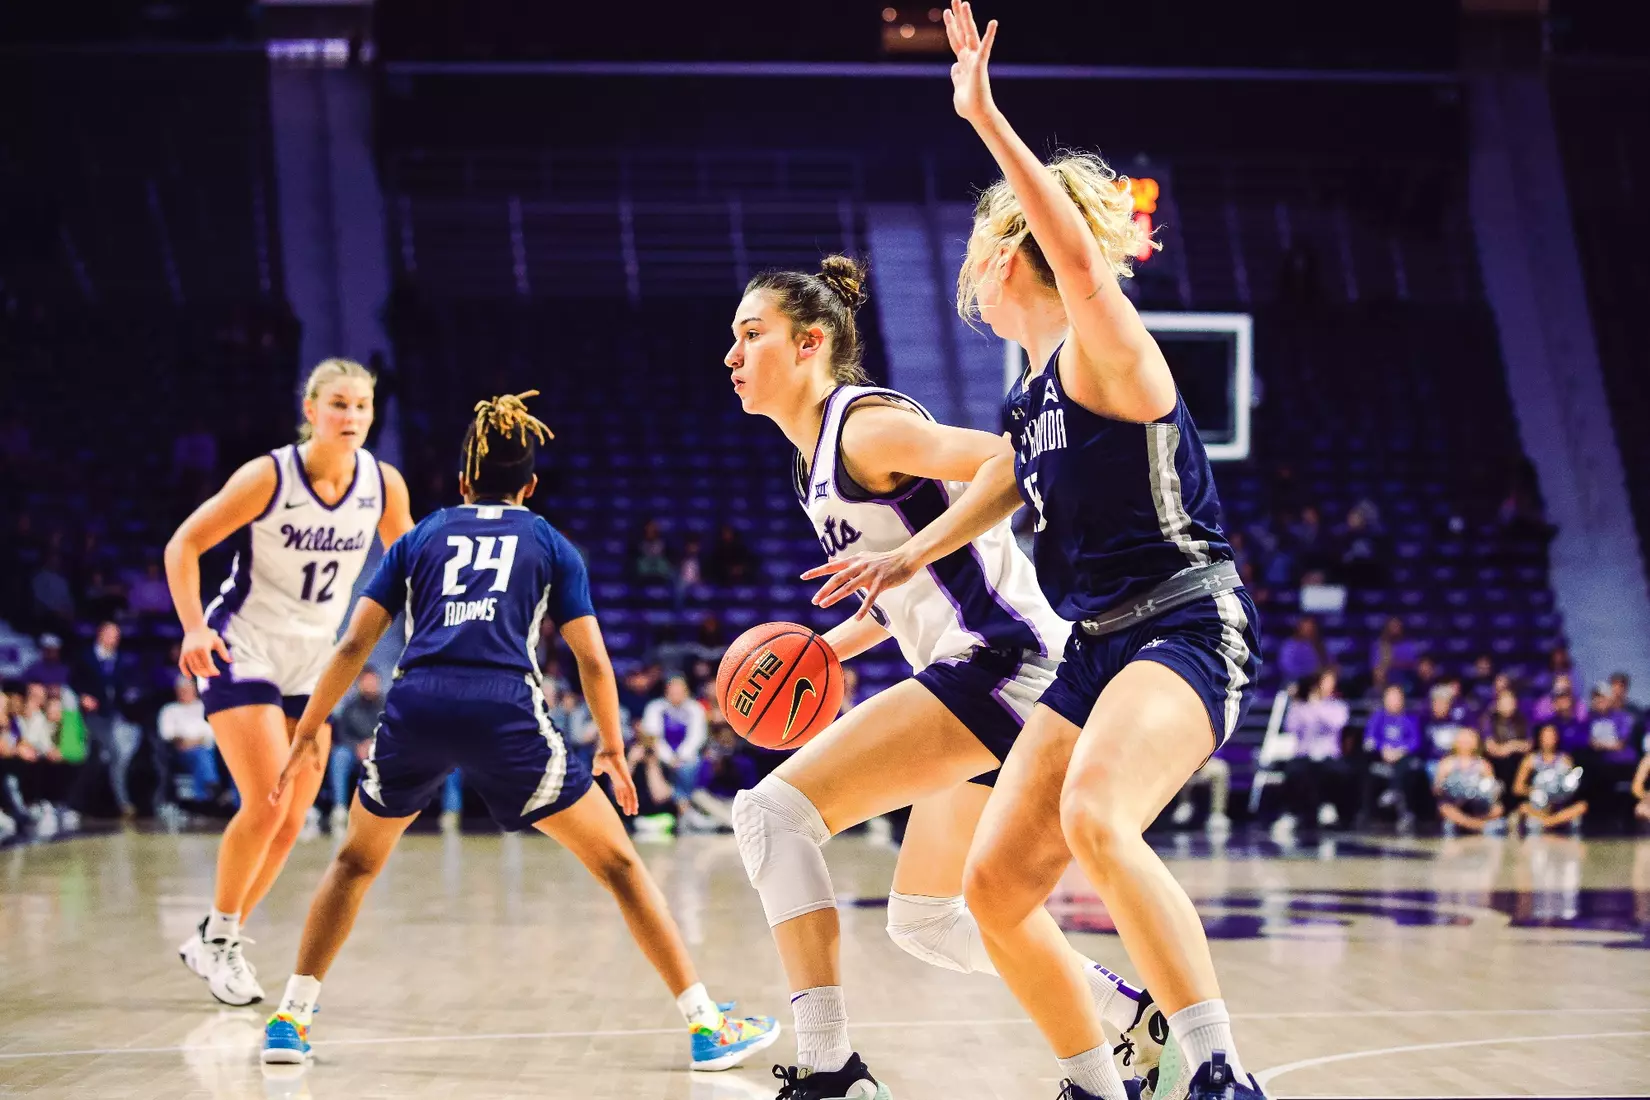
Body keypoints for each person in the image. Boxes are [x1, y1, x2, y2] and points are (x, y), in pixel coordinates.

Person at [806, 10, 1264, 1097]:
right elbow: (1004, 479)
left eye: (982, 249)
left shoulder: (1108, 344)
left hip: (1185, 622)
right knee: (994, 888)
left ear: (1014, 253)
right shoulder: (1032, 394)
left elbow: (1074, 250)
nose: (970, 271)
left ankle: (1217, 1068)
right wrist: (900, 557)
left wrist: (985, 118)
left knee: (1095, 816)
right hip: (1095, 647)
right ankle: (1097, 1083)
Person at [728, 248, 1167, 1100]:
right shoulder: (811, 458)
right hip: (996, 674)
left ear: (811, 342)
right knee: (930, 922)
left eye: (753, 335)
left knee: (772, 817)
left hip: (1005, 666)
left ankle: (830, 1072)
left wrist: (917, 552)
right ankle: (1124, 1026)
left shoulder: (864, 427)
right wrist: (821, 652)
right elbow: (905, 597)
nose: (733, 355)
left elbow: (1011, 462)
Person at [258, 391, 778, 1072]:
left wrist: (306, 730)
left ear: (463, 482)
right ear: (530, 486)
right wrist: (614, 751)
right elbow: (592, 657)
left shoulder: (420, 535)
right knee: (619, 865)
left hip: (418, 702)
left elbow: (355, 644)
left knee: (354, 863)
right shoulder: (549, 542)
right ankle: (707, 1025)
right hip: (505, 709)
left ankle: (290, 1018)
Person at [165, 358, 415, 1006]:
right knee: (268, 801)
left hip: (313, 661)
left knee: (290, 819)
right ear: (311, 411)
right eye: (338, 405)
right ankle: (219, 938)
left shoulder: (382, 485)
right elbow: (183, 546)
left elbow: (411, 567)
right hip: (243, 645)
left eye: (362, 407)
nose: (352, 417)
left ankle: (218, 935)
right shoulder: (267, 476)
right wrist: (193, 628)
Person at [69, 621, 144, 819]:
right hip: (89, 716)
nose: (114, 639)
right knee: (115, 752)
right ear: (100, 635)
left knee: (95, 761)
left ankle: (79, 804)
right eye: (110, 634)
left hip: (113, 715)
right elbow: (72, 682)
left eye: (117, 635)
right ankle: (123, 802)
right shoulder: (84, 658)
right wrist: (82, 696)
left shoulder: (120, 660)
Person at [1275, 669, 1353, 834]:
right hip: (1304, 753)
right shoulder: (1301, 706)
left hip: (1329, 754)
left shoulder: (1338, 706)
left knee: (1333, 771)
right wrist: (1298, 703)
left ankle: (1327, 808)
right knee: (1295, 771)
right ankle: (1292, 813)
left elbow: (1336, 724)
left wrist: (1317, 706)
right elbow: (1291, 727)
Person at [640, 674, 709, 822]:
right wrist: (669, 758)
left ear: (687, 691)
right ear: (666, 691)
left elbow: (697, 737)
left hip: (686, 755)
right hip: (662, 754)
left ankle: (685, 807)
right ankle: (684, 809)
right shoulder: (655, 708)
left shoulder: (695, 708)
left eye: (679, 691)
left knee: (690, 766)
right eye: (672, 691)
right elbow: (653, 737)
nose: (676, 695)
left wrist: (681, 756)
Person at [326, 669, 385, 833]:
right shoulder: (349, 707)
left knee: (393, 757)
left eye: (372, 682)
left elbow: (393, 732)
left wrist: (373, 744)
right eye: (366, 681)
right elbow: (341, 734)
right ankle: (339, 808)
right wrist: (356, 747)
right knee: (340, 755)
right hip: (354, 751)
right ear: (359, 684)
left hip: (380, 750)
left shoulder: (388, 706)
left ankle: (387, 808)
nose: (369, 685)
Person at [1361, 685, 1426, 831]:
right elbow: (1369, 741)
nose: (1394, 701)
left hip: (1403, 759)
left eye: (1397, 698)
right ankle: (1368, 813)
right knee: (1366, 769)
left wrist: (1400, 752)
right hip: (1381, 759)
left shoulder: (1410, 719)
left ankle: (1396, 794)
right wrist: (1382, 750)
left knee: (1407, 766)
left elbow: (1415, 742)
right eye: (1390, 697)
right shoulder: (1377, 718)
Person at [1512, 721, 1586, 836]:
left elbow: (1572, 786)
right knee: (1523, 809)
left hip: (1558, 805)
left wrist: (1560, 793)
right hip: (1538, 806)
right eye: (1545, 736)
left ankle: (1548, 823)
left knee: (1581, 807)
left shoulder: (1565, 760)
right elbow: (1517, 788)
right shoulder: (1530, 760)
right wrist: (1535, 792)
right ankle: (1549, 822)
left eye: (1551, 736)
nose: (1548, 740)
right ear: (1540, 738)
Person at [157, 677, 220, 805]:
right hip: (182, 751)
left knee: (204, 754)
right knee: (200, 755)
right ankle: (211, 785)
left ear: (194, 691)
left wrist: (194, 742)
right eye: (181, 690)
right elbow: (166, 733)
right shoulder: (170, 710)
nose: (184, 693)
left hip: (208, 749)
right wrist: (185, 741)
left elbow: (213, 732)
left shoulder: (205, 707)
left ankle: (204, 796)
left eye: (187, 690)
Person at [1434, 727, 1506, 836]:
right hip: (1455, 803)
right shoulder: (1447, 763)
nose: (1466, 742)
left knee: (1498, 809)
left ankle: (1470, 823)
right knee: (1444, 808)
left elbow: (1491, 788)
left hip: (1478, 803)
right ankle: (1477, 825)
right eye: (1463, 739)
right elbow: (1437, 788)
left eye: (1469, 739)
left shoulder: (1483, 764)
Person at [1480, 685, 1532, 814]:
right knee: (1506, 764)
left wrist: (1507, 747)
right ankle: (1504, 810)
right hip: (1496, 762)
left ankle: (1517, 810)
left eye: (1511, 701)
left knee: (1519, 764)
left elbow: (1529, 746)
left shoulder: (1522, 720)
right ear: (1497, 704)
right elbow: (1492, 748)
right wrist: (1514, 745)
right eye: (1505, 702)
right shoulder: (1489, 720)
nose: (1509, 705)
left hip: (1518, 761)